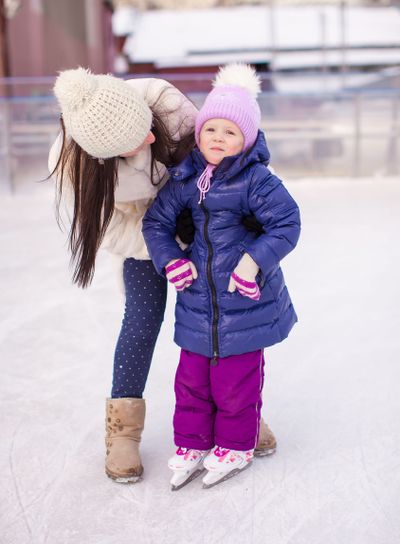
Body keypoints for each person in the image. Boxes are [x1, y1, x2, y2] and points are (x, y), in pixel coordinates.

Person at [48, 67, 277, 485]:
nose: (152, 139)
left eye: (147, 128)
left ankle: (238, 421)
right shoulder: (72, 168)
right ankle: (123, 431)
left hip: (205, 225)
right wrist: (167, 251)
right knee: (142, 319)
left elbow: (227, 158)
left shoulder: (165, 105)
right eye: (137, 140)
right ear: (104, 155)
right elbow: (110, 228)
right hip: (142, 232)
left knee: (223, 321)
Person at [142, 63, 300, 490]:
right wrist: (170, 259)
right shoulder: (187, 179)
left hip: (244, 300)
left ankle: (235, 445)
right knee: (191, 380)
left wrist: (253, 262)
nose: (218, 138)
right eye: (211, 129)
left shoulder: (257, 182)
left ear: (245, 140)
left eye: (230, 132)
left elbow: (287, 224)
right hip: (196, 300)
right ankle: (192, 443)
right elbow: (156, 223)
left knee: (235, 383)